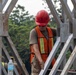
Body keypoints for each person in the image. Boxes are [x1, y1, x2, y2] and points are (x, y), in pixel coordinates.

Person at [29, 10, 56, 75]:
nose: (41, 27)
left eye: (43, 26)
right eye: (39, 25)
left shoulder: (51, 31)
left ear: (47, 23)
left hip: (50, 59)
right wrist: (41, 62)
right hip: (37, 61)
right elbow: (36, 48)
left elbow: (63, 32)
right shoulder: (34, 32)